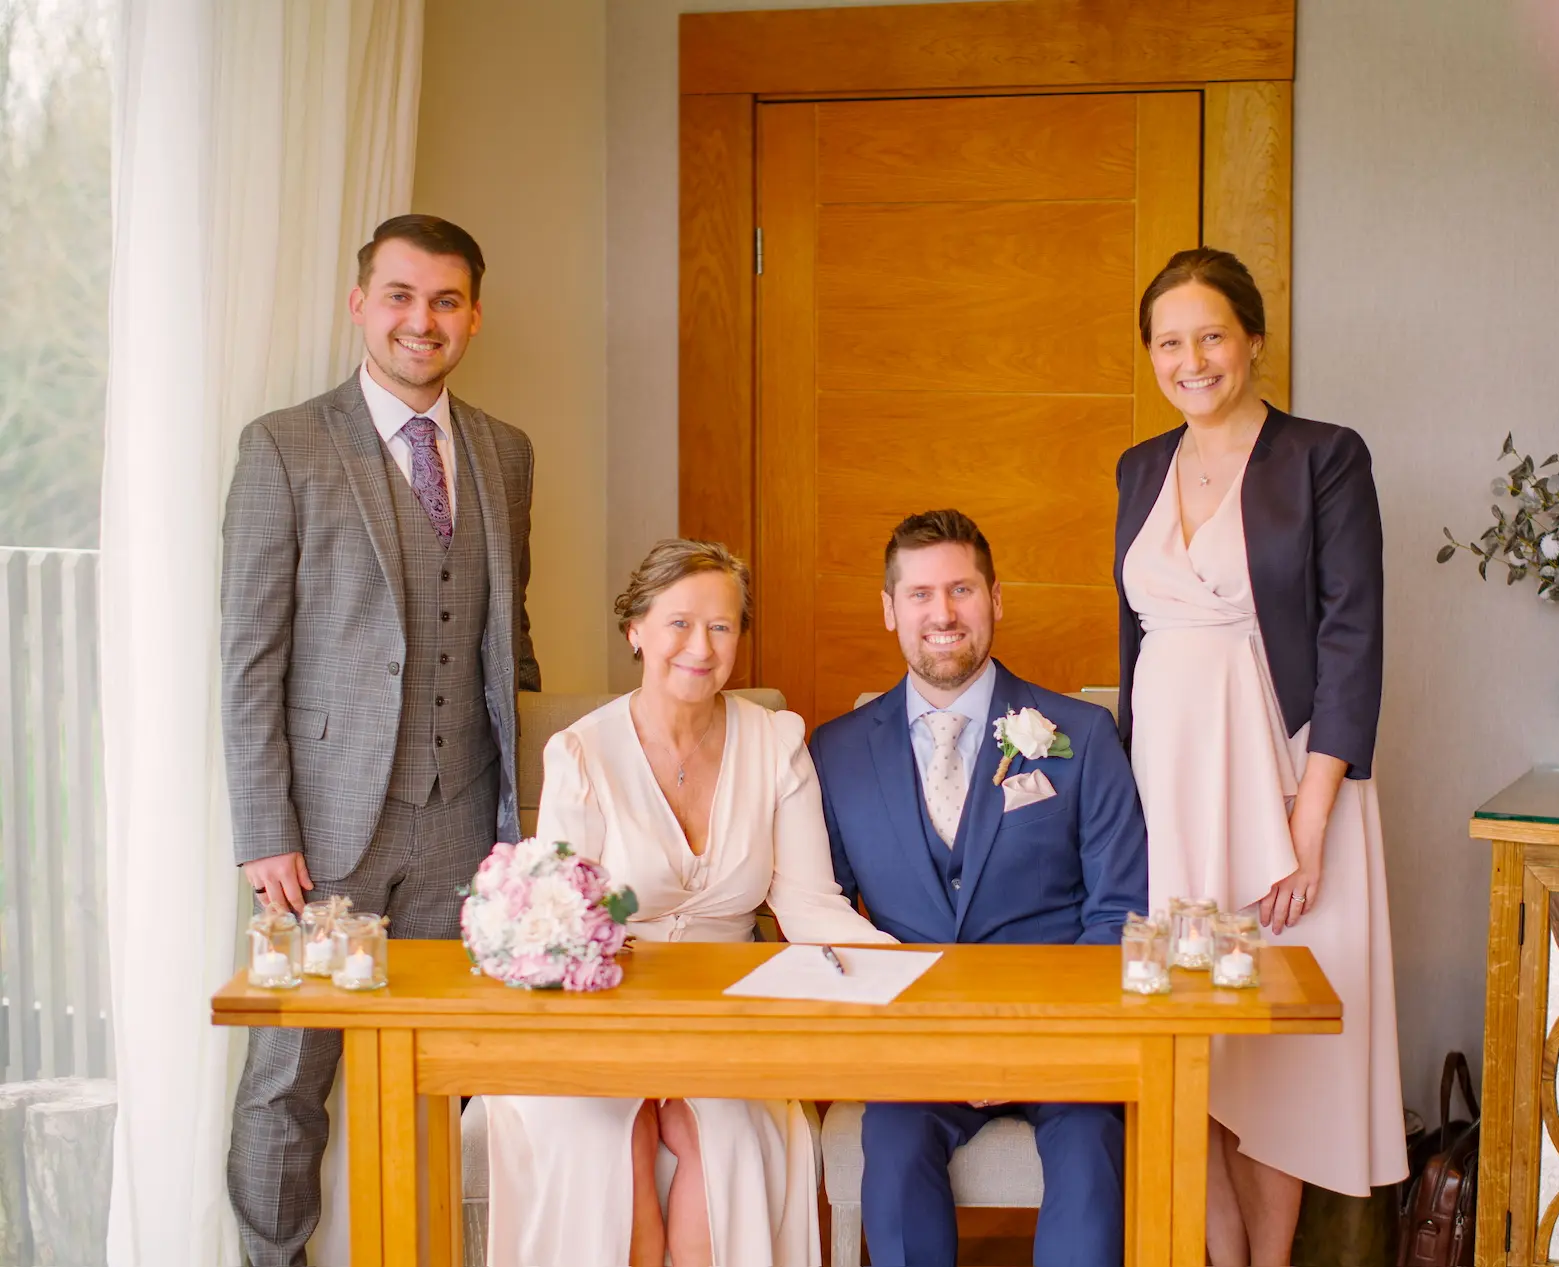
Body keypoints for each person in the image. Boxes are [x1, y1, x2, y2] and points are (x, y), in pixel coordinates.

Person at [221, 213, 539, 1266]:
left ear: (473, 317)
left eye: (445, 301)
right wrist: (266, 829)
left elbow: (505, 635)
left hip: (467, 827)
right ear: (360, 304)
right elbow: (249, 658)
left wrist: (523, 823)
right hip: (325, 832)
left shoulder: (504, 452)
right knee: (289, 1074)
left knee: (450, 1075)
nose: (422, 320)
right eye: (400, 296)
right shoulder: (285, 446)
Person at [1112, 246, 1405, 1264]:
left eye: (1209, 335)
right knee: (1182, 1023)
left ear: (1253, 340)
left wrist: (1309, 818)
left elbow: (1350, 635)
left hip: (1284, 776)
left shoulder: (1324, 455)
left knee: (1274, 1039)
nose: (1189, 359)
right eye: (1167, 341)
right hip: (1165, 780)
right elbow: (1134, 643)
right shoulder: (1138, 466)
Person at [484, 539, 892, 1267]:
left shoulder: (777, 742)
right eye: (678, 623)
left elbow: (810, 908)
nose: (699, 647)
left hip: (731, 1016)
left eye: (722, 626)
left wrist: (915, 976)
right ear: (636, 629)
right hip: (600, 1013)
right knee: (599, 1141)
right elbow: (561, 928)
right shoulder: (579, 753)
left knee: (732, 1139)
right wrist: (643, 1067)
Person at [809, 509, 1148, 1267]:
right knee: (891, 1149)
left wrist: (1033, 1043)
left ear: (996, 598)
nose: (943, 613)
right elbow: (822, 915)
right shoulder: (833, 751)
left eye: (961, 589)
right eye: (922, 593)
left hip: (1062, 1039)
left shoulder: (1083, 733)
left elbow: (1120, 907)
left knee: (1096, 1148)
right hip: (915, 1047)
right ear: (890, 608)